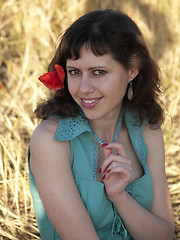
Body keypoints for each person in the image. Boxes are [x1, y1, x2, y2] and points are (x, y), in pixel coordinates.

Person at [28, 9, 174, 240]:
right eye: (75, 72)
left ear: (131, 72)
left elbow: (164, 235)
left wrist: (120, 197)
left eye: (98, 72)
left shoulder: (146, 129)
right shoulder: (51, 141)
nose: (84, 88)